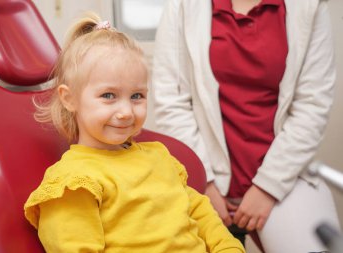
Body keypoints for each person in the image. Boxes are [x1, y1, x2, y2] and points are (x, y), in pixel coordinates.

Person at [23, 12, 245, 253]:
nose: (126, 112)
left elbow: (201, 214)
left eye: (137, 96)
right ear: (69, 98)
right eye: (109, 96)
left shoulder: (158, 157)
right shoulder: (74, 182)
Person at [152, 0, 340, 252]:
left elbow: (312, 106)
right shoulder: (184, 6)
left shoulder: (309, 6)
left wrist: (267, 187)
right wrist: (204, 182)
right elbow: (171, 102)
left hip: (283, 176)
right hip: (205, 179)